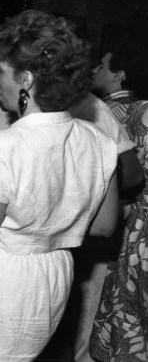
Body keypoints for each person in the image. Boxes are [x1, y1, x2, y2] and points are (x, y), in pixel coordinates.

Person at [0, 10, 120, 361]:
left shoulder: (1, 146)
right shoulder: (98, 140)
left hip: (0, 282)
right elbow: (103, 224)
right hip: (54, 275)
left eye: (1, 75)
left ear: (26, 78)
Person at [89, 57, 148, 361]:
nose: (94, 71)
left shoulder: (123, 111)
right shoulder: (136, 108)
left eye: (102, 66)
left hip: (131, 224)